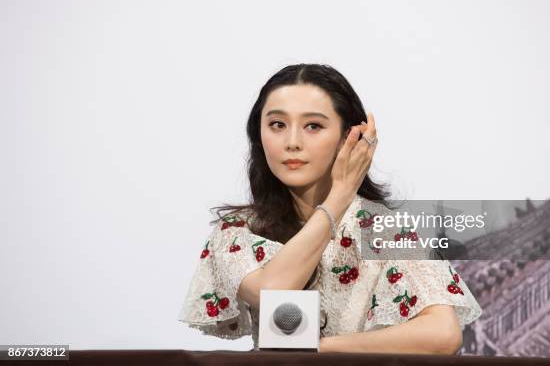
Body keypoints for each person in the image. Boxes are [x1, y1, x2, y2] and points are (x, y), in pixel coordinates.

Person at [177, 64, 482, 354]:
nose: (292, 142)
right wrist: (338, 199)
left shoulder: (382, 228)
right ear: (258, 135)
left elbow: (443, 334)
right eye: (277, 125)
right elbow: (273, 293)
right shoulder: (238, 230)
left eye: (313, 126)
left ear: (348, 137)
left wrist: (319, 350)